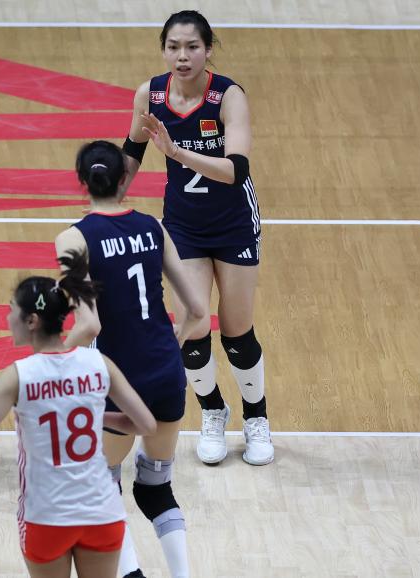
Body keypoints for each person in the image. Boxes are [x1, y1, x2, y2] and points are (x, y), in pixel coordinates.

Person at [0, 253, 157, 578]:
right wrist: (98, 418)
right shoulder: (99, 363)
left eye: (11, 310)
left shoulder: (19, 376)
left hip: (47, 515)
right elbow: (145, 424)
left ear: (32, 321)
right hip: (102, 512)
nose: (7, 318)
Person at [120, 10, 274, 468]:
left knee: (237, 329)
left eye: (192, 47)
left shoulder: (229, 96)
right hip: (184, 225)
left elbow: (235, 170)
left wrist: (177, 152)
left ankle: (256, 417)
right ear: (164, 50)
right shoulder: (150, 94)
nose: (182, 56)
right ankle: (212, 411)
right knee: (193, 322)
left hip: (233, 223)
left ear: (208, 50)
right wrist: (109, 199)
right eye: (173, 47)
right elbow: (132, 150)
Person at [57, 141, 206, 578]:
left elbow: (89, 324)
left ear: (82, 182)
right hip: (167, 374)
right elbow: (197, 310)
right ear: (124, 179)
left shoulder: (73, 238)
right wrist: (174, 342)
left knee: (101, 487)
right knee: (155, 488)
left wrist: (54, 361)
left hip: (120, 382)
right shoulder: (152, 226)